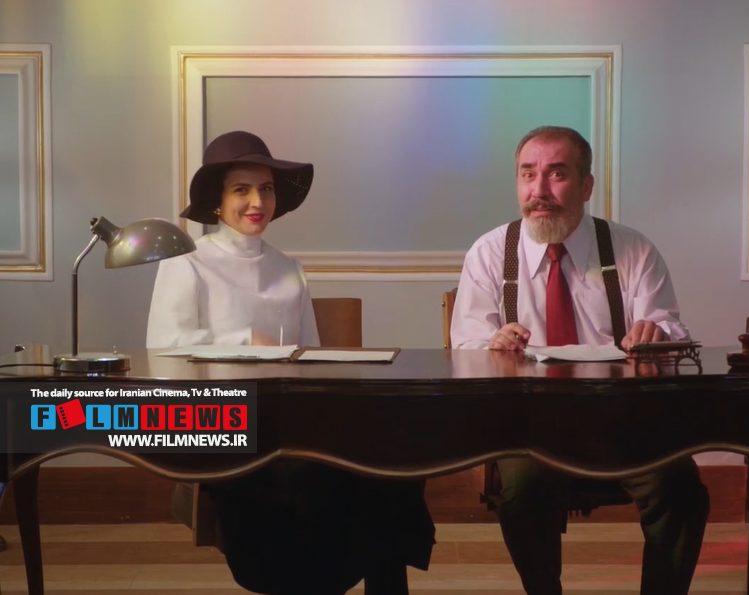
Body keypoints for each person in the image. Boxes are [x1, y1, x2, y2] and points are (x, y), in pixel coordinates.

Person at [147, 131, 434, 594]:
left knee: (388, 465)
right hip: (229, 426)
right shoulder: (186, 262)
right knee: (319, 481)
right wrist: (246, 342)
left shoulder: (289, 267)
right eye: (241, 189)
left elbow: (311, 361)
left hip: (297, 423)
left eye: (266, 188)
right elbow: (164, 351)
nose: (257, 201)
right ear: (217, 200)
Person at [450, 126, 709, 595]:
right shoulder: (489, 253)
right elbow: (464, 350)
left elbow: (671, 331)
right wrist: (493, 346)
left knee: (681, 488)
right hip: (528, 427)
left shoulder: (632, 250)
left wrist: (656, 335)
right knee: (522, 492)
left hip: (623, 420)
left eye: (557, 174)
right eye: (527, 174)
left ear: (586, 186)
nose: (539, 190)